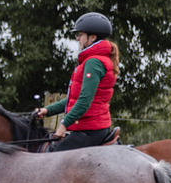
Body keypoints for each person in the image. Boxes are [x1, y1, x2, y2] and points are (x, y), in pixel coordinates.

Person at [33, 12, 119, 152]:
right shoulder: (95, 60)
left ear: (92, 38)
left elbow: (84, 101)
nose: (77, 38)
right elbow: (75, 99)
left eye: (80, 34)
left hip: (90, 130)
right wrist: (47, 110)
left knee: (53, 159)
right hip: (90, 127)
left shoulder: (93, 62)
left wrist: (63, 125)